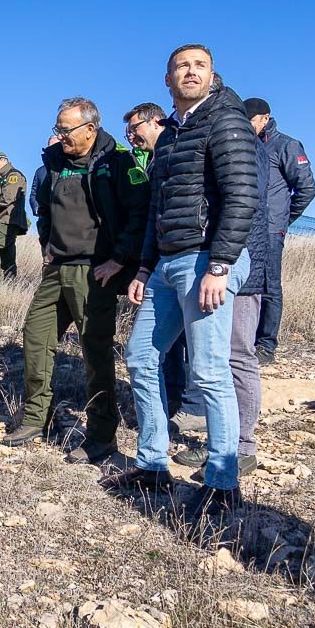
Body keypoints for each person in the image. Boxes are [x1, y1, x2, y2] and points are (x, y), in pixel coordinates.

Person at [120, 44, 258, 527]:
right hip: (166, 263)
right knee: (140, 356)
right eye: (182, 66)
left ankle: (224, 483)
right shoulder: (173, 134)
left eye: (200, 65)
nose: (191, 72)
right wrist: (143, 268)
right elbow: (158, 210)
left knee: (209, 370)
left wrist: (219, 266)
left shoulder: (225, 120)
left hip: (207, 261)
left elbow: (243, 194)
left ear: (212, 75)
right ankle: (152, 464)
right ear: (167, 79)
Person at [2, 98, 149, 464]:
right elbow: (44, 210)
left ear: (90, 129)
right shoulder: (54, 165)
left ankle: (101, 435)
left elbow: (139, 213)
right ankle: (37, 417)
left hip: (94, 271)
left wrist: (118, 260)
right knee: (35, 337)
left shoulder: (116, 163)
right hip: (57, 269)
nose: (59, 136)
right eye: (58, 128)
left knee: (95, 352)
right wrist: (46, 243)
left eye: (65, 129)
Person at [172, 116, 272, 477]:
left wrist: (227, 263)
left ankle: (241, 447)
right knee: (213, 357)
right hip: (212, 262)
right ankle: (219, 441)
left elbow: (244, 209)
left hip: (241, 268)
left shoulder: (241, 142)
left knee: (237, 355)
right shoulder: (211, 142)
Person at [124, 102, 207, 434]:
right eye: (128, 131)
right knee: (160, 343)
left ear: (155, 122)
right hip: (161, 260)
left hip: (193, 256)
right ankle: (171, 401)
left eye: (135, 128)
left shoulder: (180, 150)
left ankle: (197, 409)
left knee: (195, 342)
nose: (131, 136)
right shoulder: (153, 160)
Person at [245, 97, 315, 364]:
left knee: (269, 286)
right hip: (246, 228)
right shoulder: (244, 144)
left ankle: (266, 345)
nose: (246, 125)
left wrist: (283, 220)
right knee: (245, 286)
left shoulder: (286, 145)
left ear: (265, 118)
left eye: (250, 120)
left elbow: (307, 189)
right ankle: (245, 343)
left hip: (271, 229)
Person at [0, 153, 28, 280]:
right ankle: (10, 284)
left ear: (5, 161)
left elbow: (8, 197)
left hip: (8, 220)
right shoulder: (4, 178)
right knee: (7, 254)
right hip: (6, 219)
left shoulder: (13, 176)